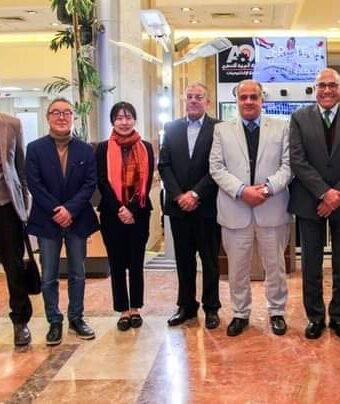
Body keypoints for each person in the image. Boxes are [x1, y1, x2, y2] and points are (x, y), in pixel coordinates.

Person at [289, 68, 340, 340]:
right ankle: (315, 317)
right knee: (310, 263)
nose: (327, 90)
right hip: (309, 200)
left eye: (332, 85)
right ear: (315, 90)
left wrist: (337, 194)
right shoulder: (299, 118)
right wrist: (324, 193)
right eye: (321, 85)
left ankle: (338, 316)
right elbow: (297, 159)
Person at [210, 79, 292, 337]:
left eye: (253, 97)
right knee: (237, 269)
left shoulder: (282, 128)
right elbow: (216, 167)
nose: (248, 102)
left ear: (262, 99)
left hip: (272, 207)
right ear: (236, 100)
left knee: (275, 267)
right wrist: (242, 191)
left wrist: (267, 189)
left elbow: (288, 166)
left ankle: (277, 312)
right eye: (243, 97)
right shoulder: (222, 130)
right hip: (235, 209)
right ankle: (240, 313)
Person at [26, 98, 99, 345]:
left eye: (67, 113)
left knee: (78, 273)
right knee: (49, 275)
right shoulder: (35, 149)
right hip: (47, 222)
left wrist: (70, 210)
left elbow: (90, 183)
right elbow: (34, 184)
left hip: (77, 220)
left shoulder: (85, 150)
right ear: (48, 117)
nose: (61, 117)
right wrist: (57, 211)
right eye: (56, 112)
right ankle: (54, 321)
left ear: (73, 118)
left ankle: (76, 318)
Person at [158, 83, 222, 329]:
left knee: (210, 260)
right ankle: (186, 306)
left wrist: (195, 194)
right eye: (190, 97)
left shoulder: (219, 129)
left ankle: (211, 307)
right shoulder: (171, 128)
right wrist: (179, 195)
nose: (194, 100)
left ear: (208, 101)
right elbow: (164, 165)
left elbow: (218, 167)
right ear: (184, 100)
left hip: (207, 207)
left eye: (199, 97)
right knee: (184, 260)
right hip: (179, 208)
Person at [96, 102, 153, 331]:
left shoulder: (146, 147)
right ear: (113, 121)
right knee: (117, 263)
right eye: (119, 118)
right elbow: (102, 181)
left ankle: (136, 308)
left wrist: (131, 209)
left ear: (134, 120)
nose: (124, 122)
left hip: (139, 213)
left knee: (136, 262)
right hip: (112, 215)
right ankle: (123, 310)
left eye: (128, 117)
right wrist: (120, 208)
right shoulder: (102, 148)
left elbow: (146, 182)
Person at [0, 111, 32, 346]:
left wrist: (25, 206)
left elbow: (21, 169)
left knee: (14, 266)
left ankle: (20, 321)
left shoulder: (12, 124)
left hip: (7, 207)